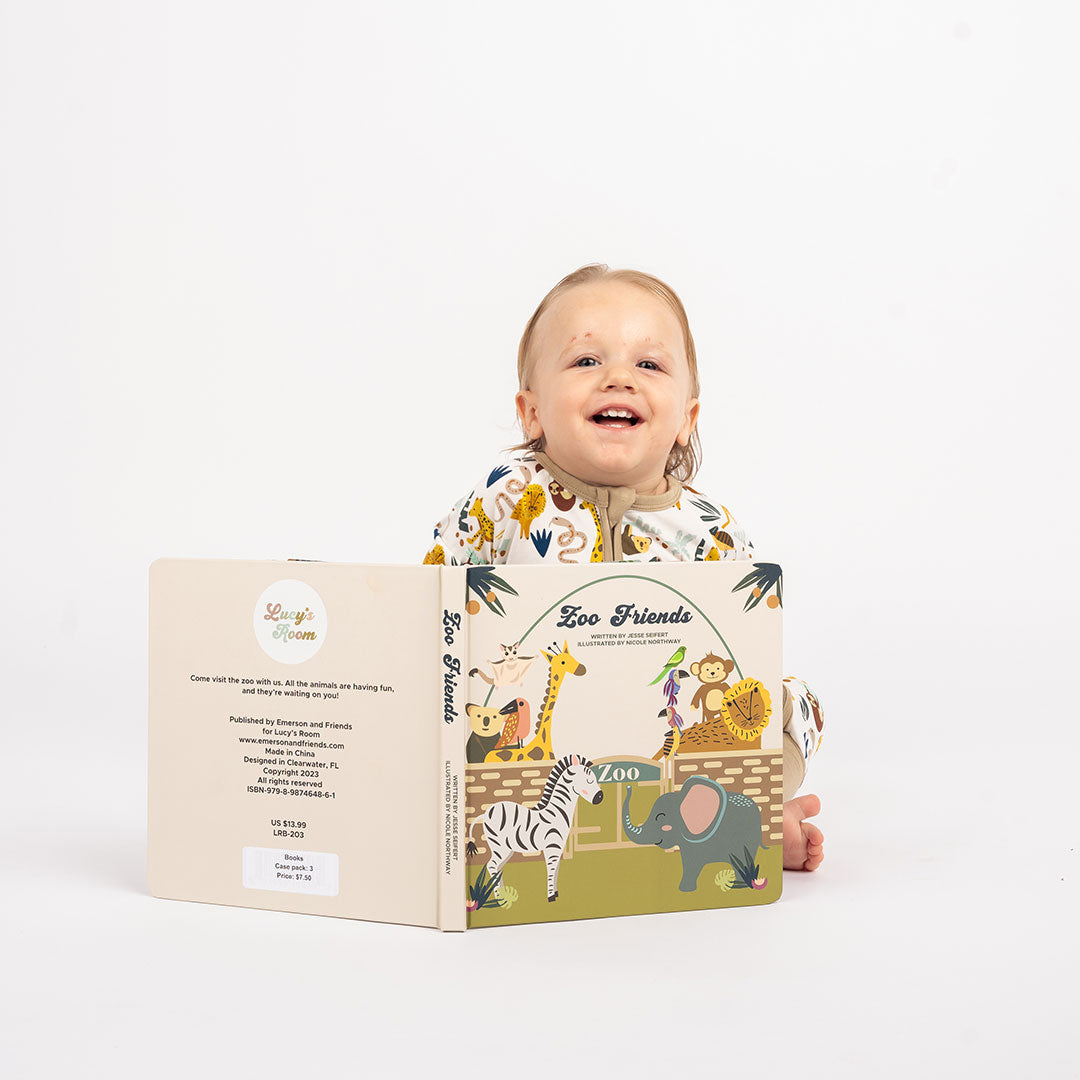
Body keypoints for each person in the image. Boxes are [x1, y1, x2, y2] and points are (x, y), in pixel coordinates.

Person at [423, 264, 824, 871]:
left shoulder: (710, 532)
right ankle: (472, 827)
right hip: (531, 735)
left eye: (650, 364)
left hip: (663, 729)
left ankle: (759, 814)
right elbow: (430, 601)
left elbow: (740, 649)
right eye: (586, 362)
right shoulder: (502, 501)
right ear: (531, 412)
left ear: (687, 419)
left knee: (791, 707)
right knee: (430, 716)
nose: (618, 378)